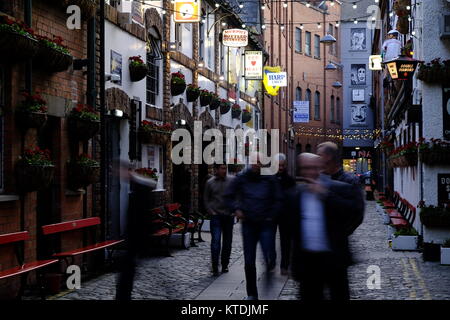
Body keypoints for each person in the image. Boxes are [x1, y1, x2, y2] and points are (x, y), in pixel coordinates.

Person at [287, 153, 364, 300]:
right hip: (308, 263)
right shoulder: (295, 195)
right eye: (305, 168)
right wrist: (291, 265)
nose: (309, 172)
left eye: (313, 168)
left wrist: (325, 195)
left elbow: (353, 211)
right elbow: (292, 233)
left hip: (334, 260)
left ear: (320, 168)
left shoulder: (338, 189)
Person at [224, 152, 283, 300]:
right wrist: (236, 209)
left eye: (259, 161)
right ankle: (252, 293)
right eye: (254, 161)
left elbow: (278, 199)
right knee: (249, 261)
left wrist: (271, 215)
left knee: (269, 257)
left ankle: (270, 272)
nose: (256, 164)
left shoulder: (270, 178)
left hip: (265, 223)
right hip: (249, 224)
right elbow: (228, 196)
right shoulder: (242, 178)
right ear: (250, 162)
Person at [116, 163, 157, 300]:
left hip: (137, 236)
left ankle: (123, 297)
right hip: (134, 237)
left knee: (127, 270)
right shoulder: (136, 186)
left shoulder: (140, 187)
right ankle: (123, 296)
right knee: (128, 269)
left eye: (120, 171)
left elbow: (152, 184)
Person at [317, 141, 365, 235]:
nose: (317, 159)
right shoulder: (317, 179)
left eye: (320, 155)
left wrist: (340, 234)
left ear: (328, 157)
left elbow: (357, 214)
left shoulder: (350, 181)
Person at [203, 164, 235, 276]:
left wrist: (233, 210)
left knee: (227, 242)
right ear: (216, 169)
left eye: (225, 168)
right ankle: (215, 266)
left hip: (228, 216)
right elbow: (206, 199)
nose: (224, 170)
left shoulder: (232, 181)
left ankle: (225, 264)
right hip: (216, 216)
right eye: (222, 168)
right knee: (215, 241)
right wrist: (211, 211)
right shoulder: (210, 183)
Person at [274, 153, 296, 275]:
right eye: (278, 165)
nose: (280, 168)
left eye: (282, 165)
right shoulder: (270, 178)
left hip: (285, 216)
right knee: (269, 241)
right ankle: (271, 263)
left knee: (286, 242)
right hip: (272, 215)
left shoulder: (290, 180)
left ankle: (284, 265)